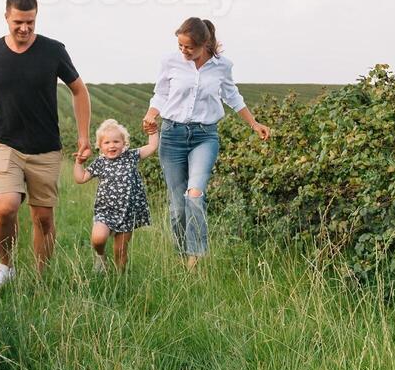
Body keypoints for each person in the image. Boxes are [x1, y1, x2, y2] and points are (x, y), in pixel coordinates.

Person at [0, 0, 91, 291]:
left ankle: (41, 279)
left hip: (46, 148)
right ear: (6, 17)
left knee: (43, 218)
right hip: (5, 145)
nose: (25, 28)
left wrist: (83, 136)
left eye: (30, 21)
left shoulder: (53, 51)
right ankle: (6, 266)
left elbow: (79, 90)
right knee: (6, 206)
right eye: (19, 21)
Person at [142, 17, 270, 271]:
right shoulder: (170, 62)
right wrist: (151, 114)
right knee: (178, 206)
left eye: (188, 47)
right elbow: (161, 93)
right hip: (172, 135)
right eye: (180, 46)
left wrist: (254, 124)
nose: (184, 51)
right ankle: (181, 254)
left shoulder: (222, 66)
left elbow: (232, 96)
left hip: (205, 136)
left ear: (204, 43)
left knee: (195, 194)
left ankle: (196, 257)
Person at [72, 118, 157, 272]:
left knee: (121, 251)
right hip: (105, 211)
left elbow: (152, 146)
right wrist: (79, 162)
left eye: (116, 141)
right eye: (107, 143)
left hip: (127, 212)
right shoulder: (100, 162)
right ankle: (101, 256)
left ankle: (119, 280)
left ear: (124, 143)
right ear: (100, 146)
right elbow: (81, 178)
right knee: (98, 239)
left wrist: (152, 131)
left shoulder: (130, 156)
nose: (112, 145)